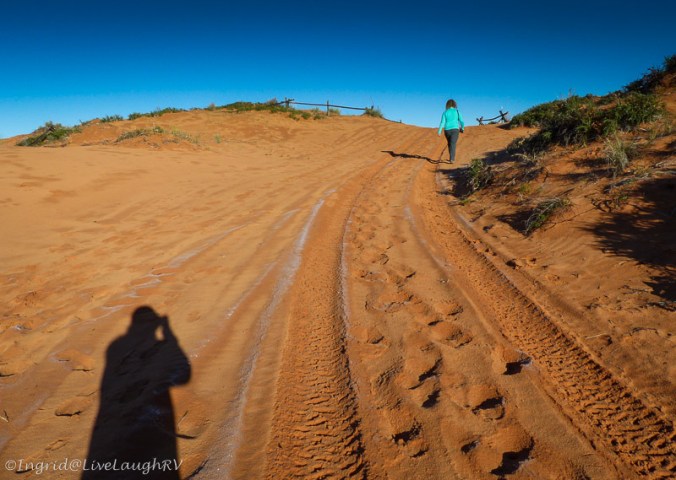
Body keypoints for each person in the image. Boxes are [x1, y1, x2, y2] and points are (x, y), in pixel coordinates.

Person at [438, 99, 465, 163]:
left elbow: (442, 122)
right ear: (455, 104)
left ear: (447, 104)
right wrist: (462, 128)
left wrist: (439, 131)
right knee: (453, 143)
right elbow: (461, 121)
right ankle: (452, 159)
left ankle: (451, 157)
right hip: (455, 129)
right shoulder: (457, 111)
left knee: (450, 143)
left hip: (447, 130)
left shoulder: (445, 112)